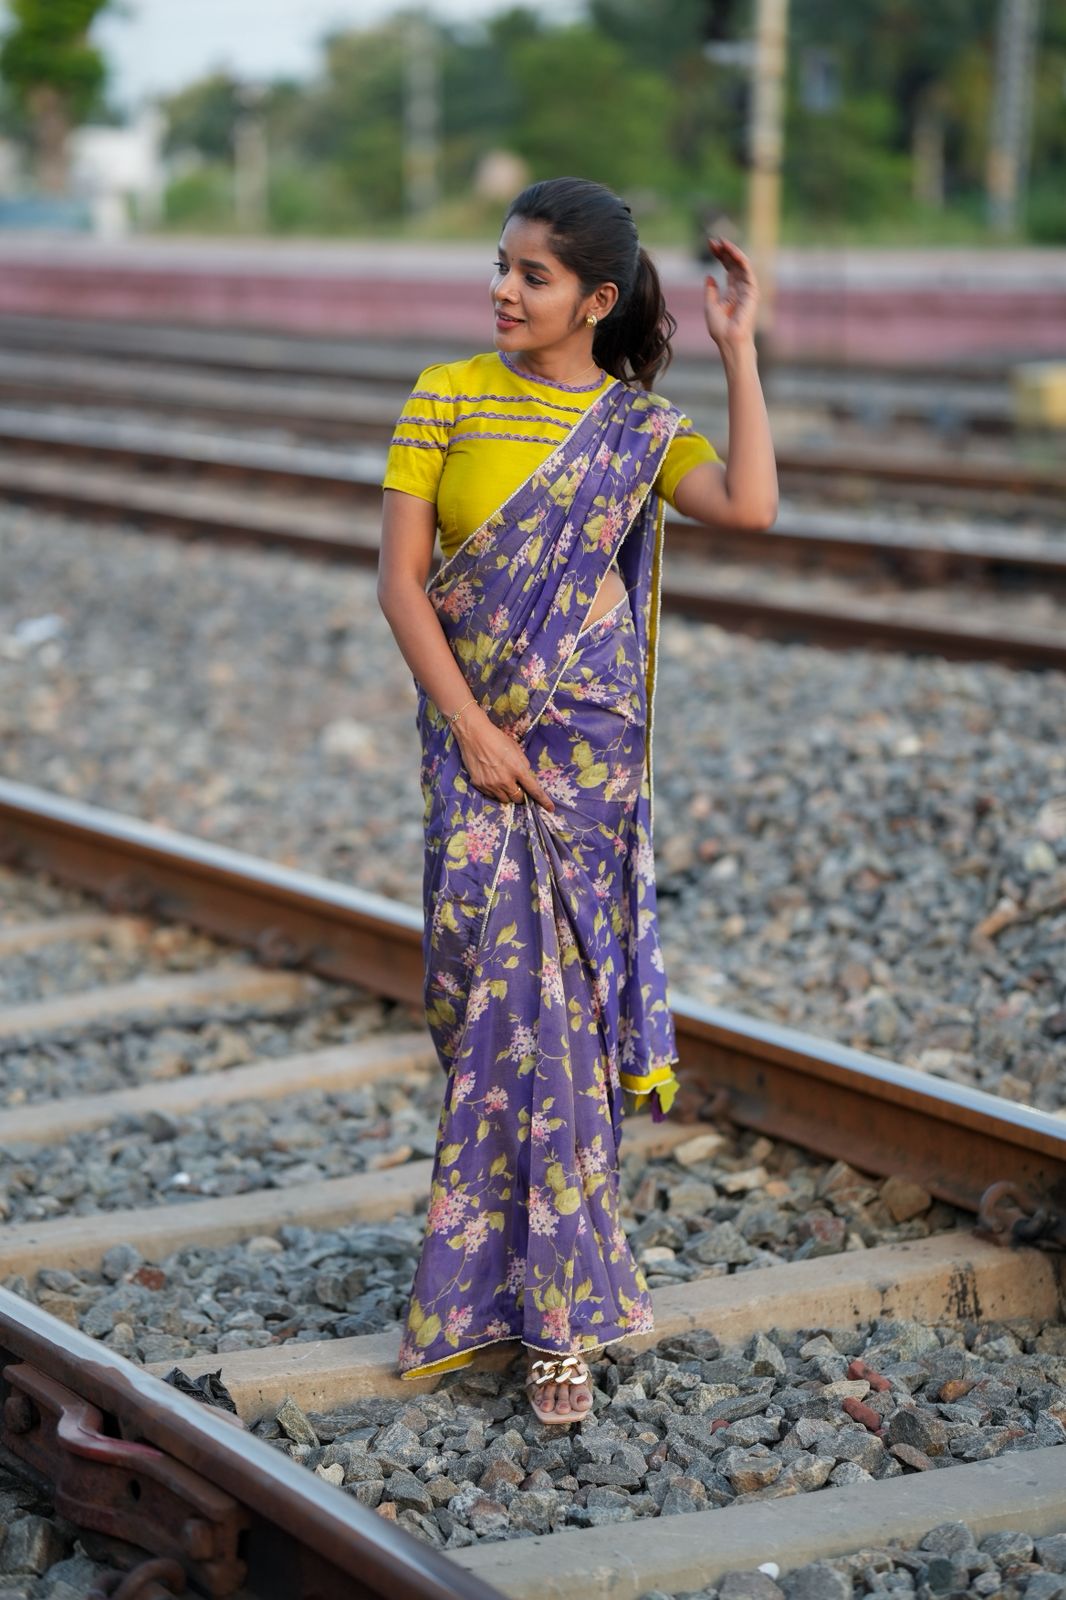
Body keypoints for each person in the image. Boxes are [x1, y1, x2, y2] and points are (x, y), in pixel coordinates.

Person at [376, 175, 776, 1424]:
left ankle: (560, 1323)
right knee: (478, 998)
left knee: (562, 1024)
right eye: (499, 265)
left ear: (595, 301)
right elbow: (400, 586)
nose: (502, 288)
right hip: (476, 744)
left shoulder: (638, 429)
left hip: (585, 752)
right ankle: (501, 1282)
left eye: (531, 275)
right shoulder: (442, 394)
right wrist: (473, 727)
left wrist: (738, 349)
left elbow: (752, 507)